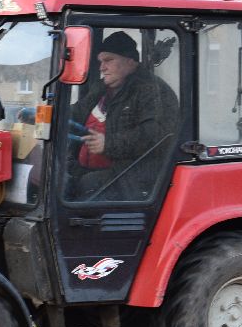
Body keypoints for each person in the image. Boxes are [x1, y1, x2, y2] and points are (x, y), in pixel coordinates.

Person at [68, 30, 179, 200]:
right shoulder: (102, 88)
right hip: (96, 170)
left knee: (84, 186)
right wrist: (51, 116)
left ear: (130, 61)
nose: (102, 67)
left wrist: (108, 143)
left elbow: (155, 136)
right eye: (100, 62)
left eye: (109, 60)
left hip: (131, 179)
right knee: (56, 175)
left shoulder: (152, 91)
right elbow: (77, 112)